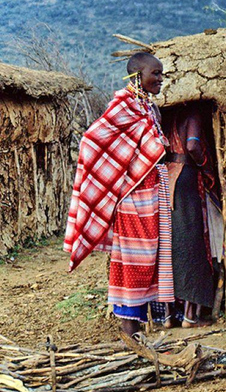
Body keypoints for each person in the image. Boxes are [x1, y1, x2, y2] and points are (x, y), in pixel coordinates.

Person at [64, 52, 173, 336]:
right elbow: (92, 139)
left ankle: (138, 328)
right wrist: (120, 182)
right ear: (137, 75)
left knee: (150, 258)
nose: (160, 79)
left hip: (152, 192)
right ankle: (129, 328)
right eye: (155, 73)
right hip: (133, 198)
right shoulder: (123, 106)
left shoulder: (147, 107)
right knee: (132, 260)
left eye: (162, 74)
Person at [161, 104, 218, 328]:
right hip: (185, 177)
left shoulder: (163, 115)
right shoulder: (192, 113)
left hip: (165, 176)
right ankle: (189, 316)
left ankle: (166, 316)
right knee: (193, 242)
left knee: (169, 244)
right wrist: (206, 166)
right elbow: (192, 145)